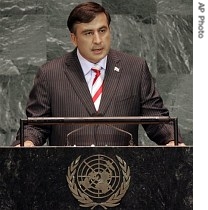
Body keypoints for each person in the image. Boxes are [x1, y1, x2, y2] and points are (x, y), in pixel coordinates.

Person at [13, 2, 185, 147]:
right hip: (67, 177)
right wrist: (28, 141)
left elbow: (156, 119)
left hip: (121, 176)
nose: (98, 40)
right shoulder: (51, 73)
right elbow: (36, 125)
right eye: (88, 33)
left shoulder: (135, 68)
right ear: (73, 38)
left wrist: (171, 139)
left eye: (102, 31)